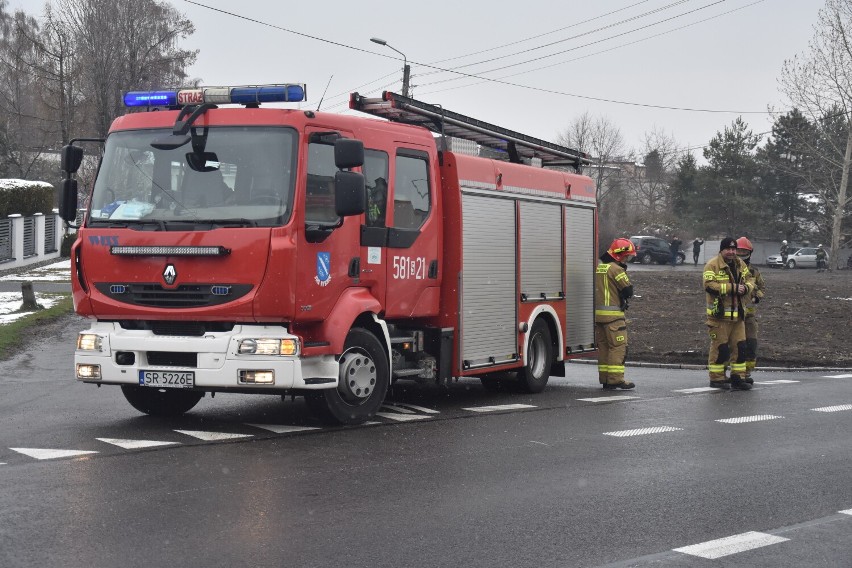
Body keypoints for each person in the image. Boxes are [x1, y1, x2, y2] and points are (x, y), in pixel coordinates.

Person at [702, 237, 755, 390]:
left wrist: (746, 288)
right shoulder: (712, 265)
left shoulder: (740, 264)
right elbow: (709, 286)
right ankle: (717, 379)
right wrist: (732, 288)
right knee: (721, 348)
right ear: (722, 250)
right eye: (728, 249)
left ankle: (738, 377)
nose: (732, 252)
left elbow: (750, 280)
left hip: (738, 316)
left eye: (734, 249)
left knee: (740, 347)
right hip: (718, 317)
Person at [595, 238, 636, 390]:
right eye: (627, 256)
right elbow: (628, 291)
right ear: (620, 255)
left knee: (604, 348)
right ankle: (616, 379)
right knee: (618, 347)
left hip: (598, 317)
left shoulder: (599, 267)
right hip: (613, 318)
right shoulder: (616, 269)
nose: (627, 259)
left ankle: (605, 379)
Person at [736, 237, 765, 381]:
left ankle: (746, 372)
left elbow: (761, 287)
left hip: (749, 316)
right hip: (733, 315)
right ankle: (735, 373)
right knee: (736, 345)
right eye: (739, 250)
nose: (741, 253)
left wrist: (757, 296)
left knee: (751, 343)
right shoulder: (730, 269)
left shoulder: (754, 271)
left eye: (744, 251)